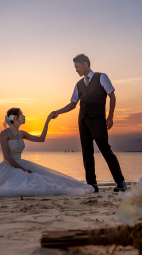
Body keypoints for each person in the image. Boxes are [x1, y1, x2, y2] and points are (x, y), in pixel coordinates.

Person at [51, 54, 126, 193]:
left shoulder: (101, 77)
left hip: (98, 119)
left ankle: (120, 182)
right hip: (82, 120)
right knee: (87, 152)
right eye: (75, 67)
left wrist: (110, 117)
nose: (76, 70)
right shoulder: (78, 84)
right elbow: (73, 104)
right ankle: (92, 184)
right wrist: (58, 112)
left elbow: (112, 96)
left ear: (85, 64)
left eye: (77, 67)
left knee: (105, 149)